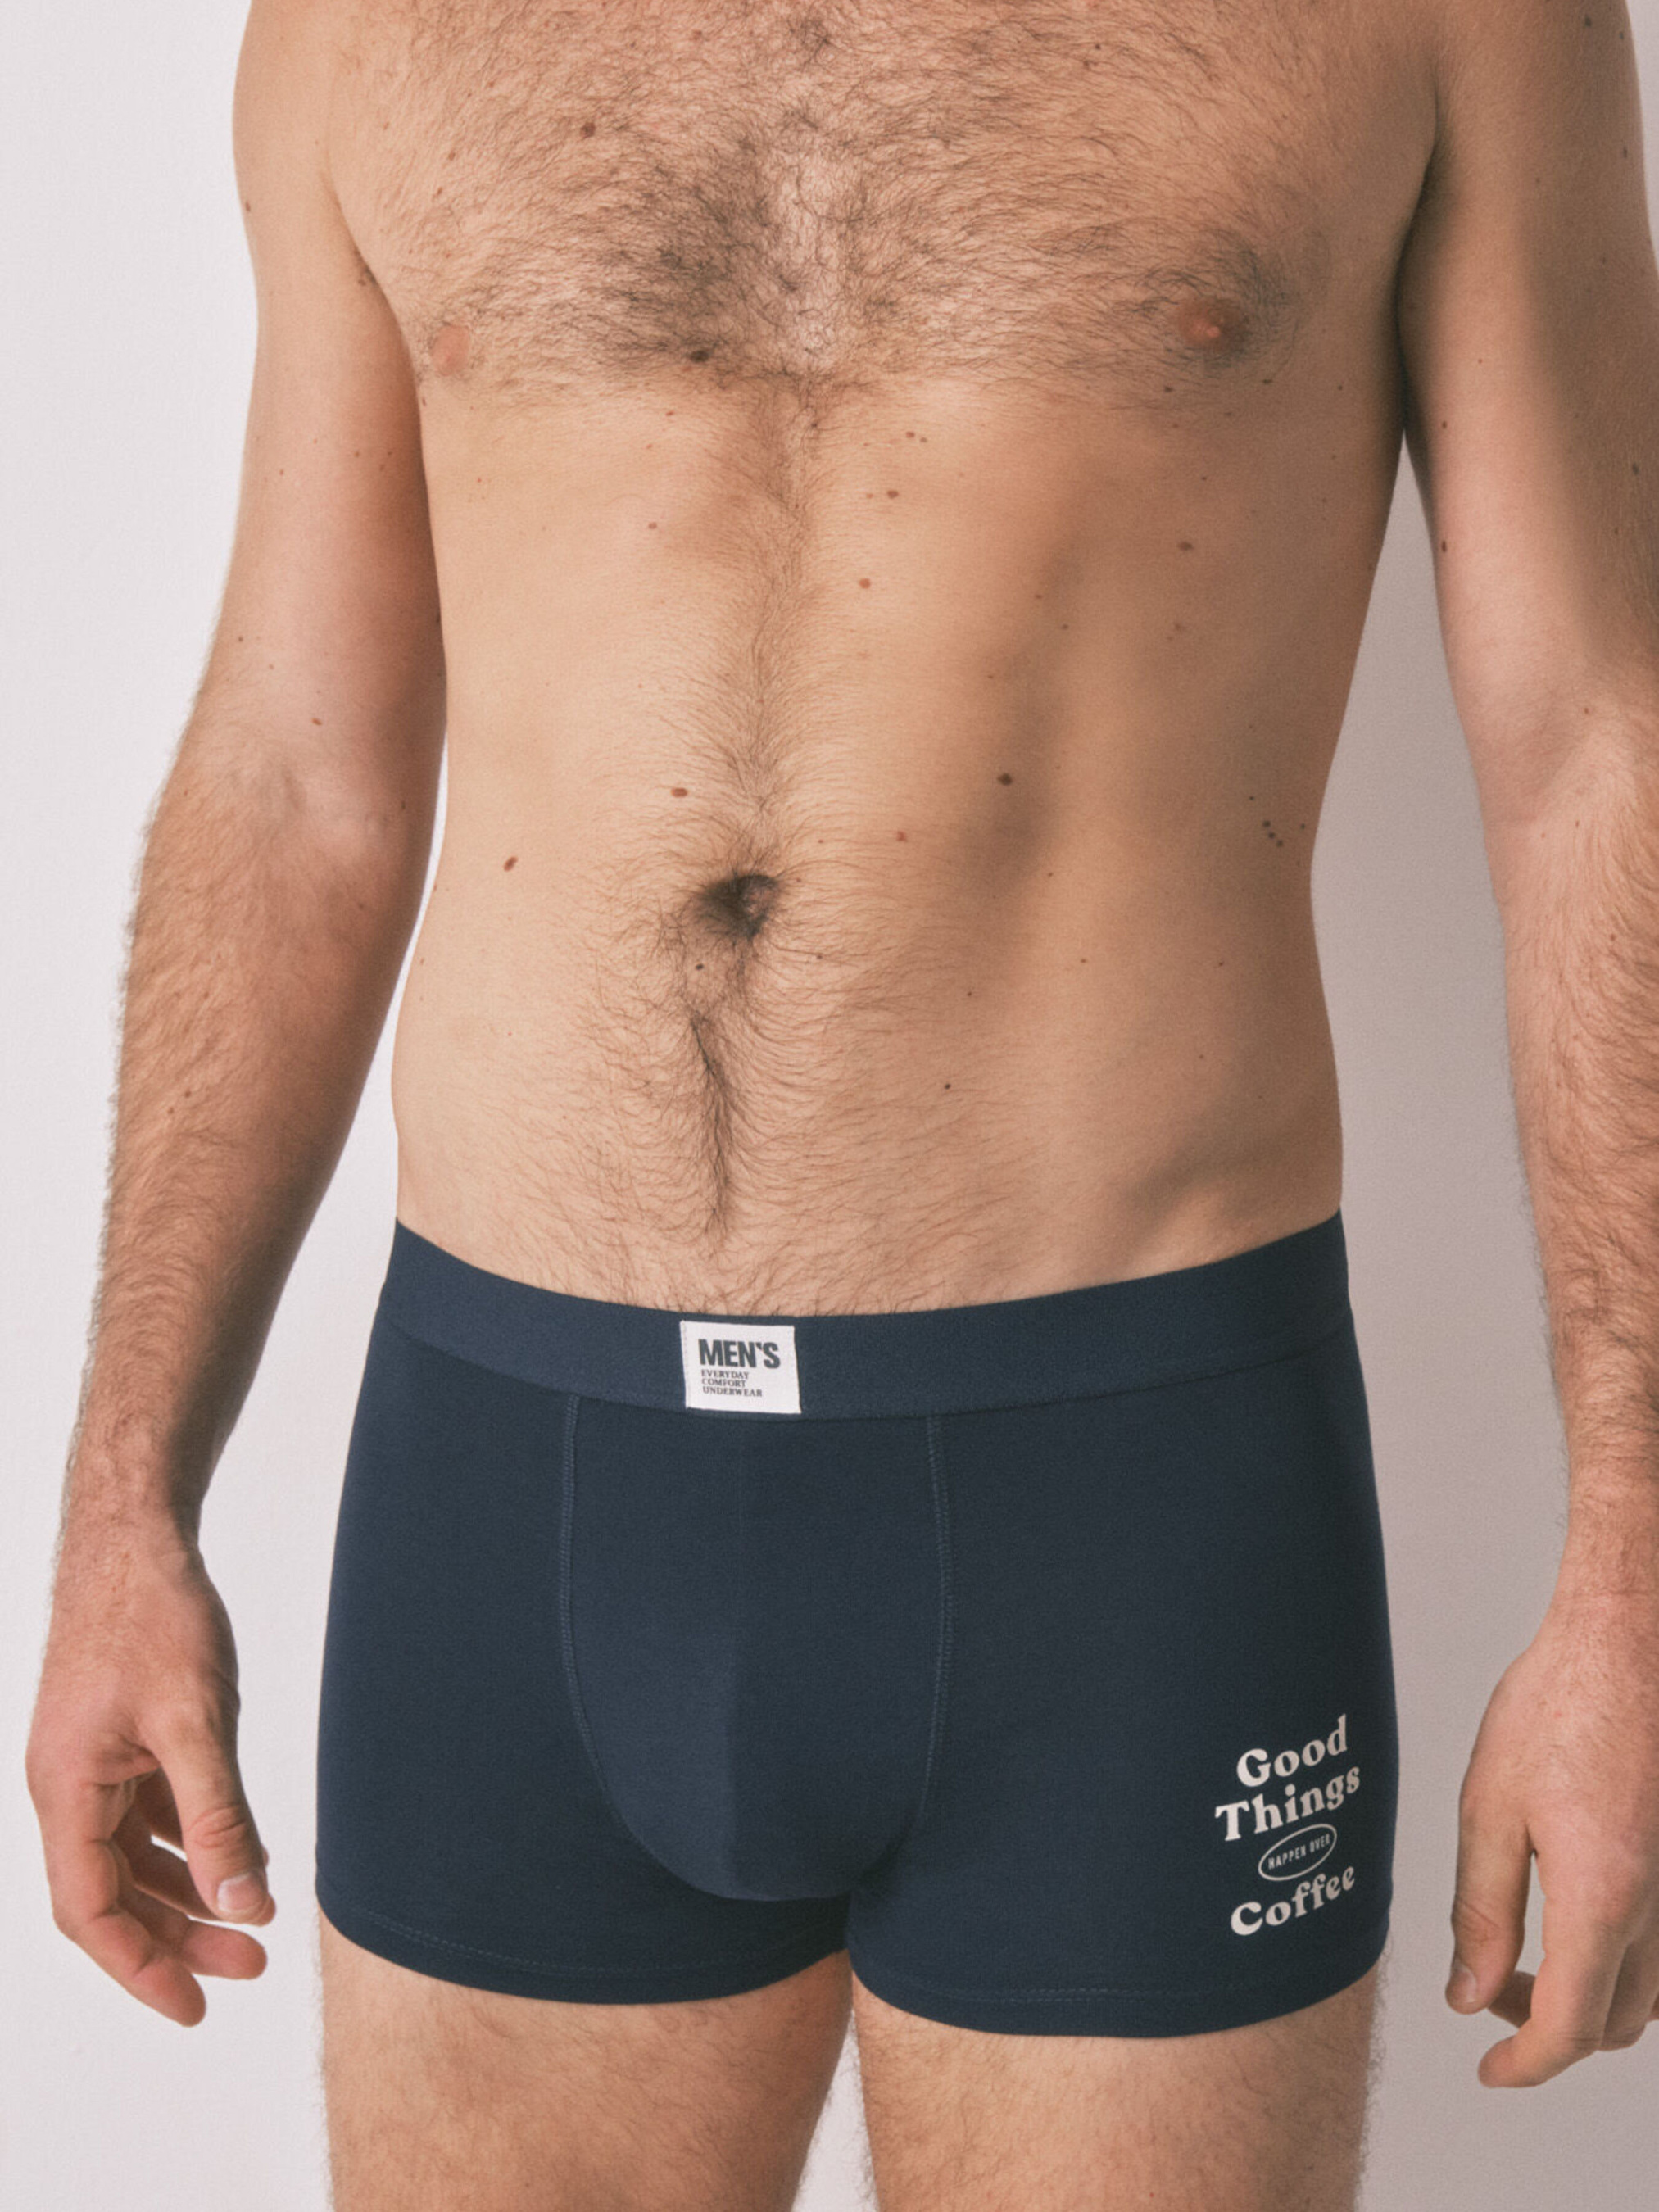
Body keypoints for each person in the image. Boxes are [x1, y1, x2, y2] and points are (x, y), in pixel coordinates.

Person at [25, 0, 1659, 2203]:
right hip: (518, 1472)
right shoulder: (366, 28)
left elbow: (1593, 746)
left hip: (1124, 1483)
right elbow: (294, 776)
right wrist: (121, 1499)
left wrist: (1637, 1572)